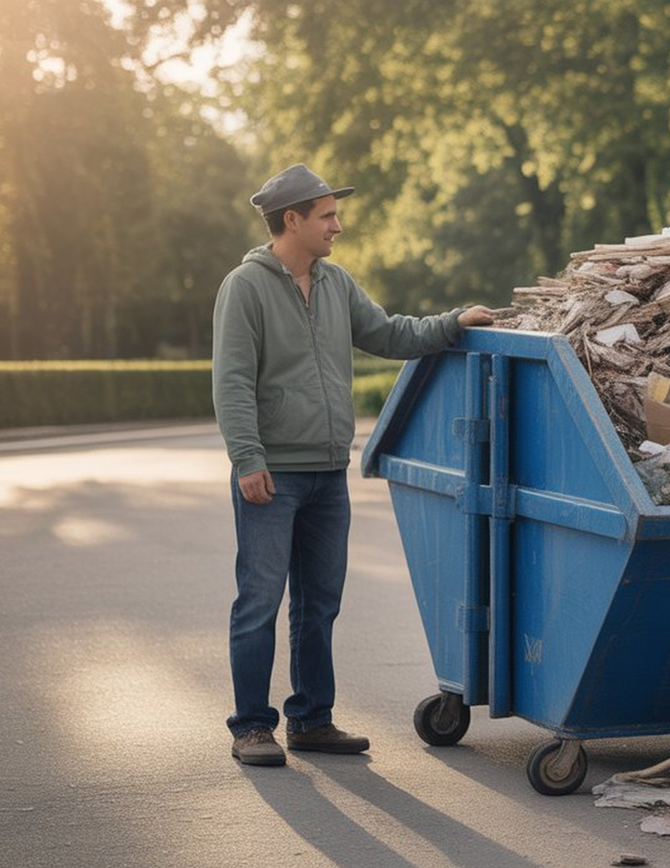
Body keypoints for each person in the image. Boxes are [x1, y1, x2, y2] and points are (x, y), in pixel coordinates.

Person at [212, 163, 496, 767]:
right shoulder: (245, 286)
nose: (337, 226)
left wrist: (452, 323)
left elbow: (390, 333)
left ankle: (312, 720)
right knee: (259, 601)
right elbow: (232, 381)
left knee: (320, 602)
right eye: (327, 216)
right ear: (292, 219)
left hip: (326, 473)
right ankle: (251, 727)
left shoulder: (336, 284)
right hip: (272, 473)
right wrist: (247, 458)